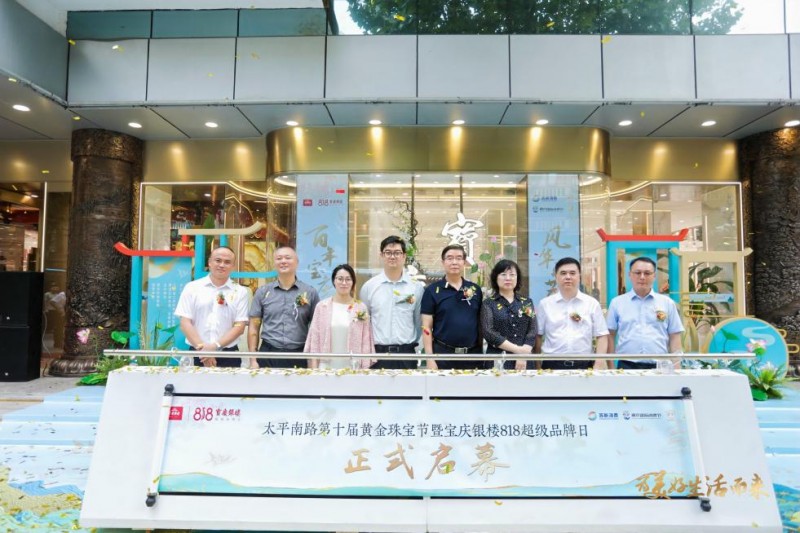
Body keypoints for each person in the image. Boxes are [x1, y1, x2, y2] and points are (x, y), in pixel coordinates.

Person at [174, 246, 250, 367]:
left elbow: (239, 326)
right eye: (218, 260)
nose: (222, 265)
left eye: (227, 262)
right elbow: (185, 322)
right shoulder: (192, 288)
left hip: (228, 354)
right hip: (197, 353)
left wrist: (214, 346)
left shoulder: (240, 292)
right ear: (209, 262)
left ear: (233, 266)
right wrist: (203, 350)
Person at [606, 256, 685, 370]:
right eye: (638, 273)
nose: (642, 277)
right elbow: (610, 335)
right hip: (626, 365)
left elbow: (675, 336)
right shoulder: (617, 303)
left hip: (660, 366)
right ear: (630, 275)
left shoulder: (667, 303)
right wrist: (611, 365)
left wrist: (677, 367)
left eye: (647, 273)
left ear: (654, 276)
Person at [248, 246, 319, 369]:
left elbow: (316, 329)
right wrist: (253, 360)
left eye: (288, 258)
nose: (283, 261)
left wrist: (313, 361)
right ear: (274, 263)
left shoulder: (310, 292)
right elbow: (254, 327)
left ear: (297, 263)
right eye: (279, 258)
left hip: (299, 353)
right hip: (268, 353)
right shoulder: (263, 292)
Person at [359, 235, 424, 370]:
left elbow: (418, 322)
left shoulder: (416, 288)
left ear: (404, 256)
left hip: (406, 354)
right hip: (377, 354)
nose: (392, 256)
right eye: (388, 252)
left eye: (397, 253)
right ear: (381, 255)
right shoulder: (369, 287)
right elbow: (365, 322)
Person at [535, 257, 609, 370]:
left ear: (579, 276)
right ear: (556, 277)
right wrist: (537, 363)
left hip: (584, 364)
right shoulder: (545, 304)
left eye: (572, 273)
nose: (568, 277)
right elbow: (538, 335)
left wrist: (598, 364)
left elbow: (602, 335)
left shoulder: (591, 303)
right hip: (551, 364)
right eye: (563, 273)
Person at [422, 244, 487, 371]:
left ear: (464, 262)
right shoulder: (432, 291)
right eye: (450, 258)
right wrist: (430, 358)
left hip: (472, 355)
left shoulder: (475, 290)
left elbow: (480, 323)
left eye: (458, 258)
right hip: (442, 355)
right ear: (443, 262)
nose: (454, 262)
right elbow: (426, 327)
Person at [305, 264, 375, 369]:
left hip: (353, 367)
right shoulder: (322, 307)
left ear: (353, 282)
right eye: (340, 279)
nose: (344, 283)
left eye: (348, 279)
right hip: (325, 367)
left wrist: (364, 369)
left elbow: (366, 342)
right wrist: (314, 370)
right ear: (334, 281)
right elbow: (314, 340)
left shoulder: (361, 308)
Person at [480, 259, 536, 370]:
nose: (508, 278)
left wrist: (523, 354)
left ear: (517, 278)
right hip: (498, 359)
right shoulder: (488, 303)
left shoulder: (526, 302)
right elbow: (489, 333)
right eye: (503, 274)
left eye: (512, 275)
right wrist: (519, 351)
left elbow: (532, 330)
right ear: (496, 278)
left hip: (524, 361)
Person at [44, 283, 66, 348]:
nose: (55, 288)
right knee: (58, 328)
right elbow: (51, 302)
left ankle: (59, 343)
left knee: (60, 328)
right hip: (54, 312)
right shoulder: (62, 294)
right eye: (54, 287)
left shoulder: (59, 294)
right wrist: (59, 309)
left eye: (56, 287)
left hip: (61, 312)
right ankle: (57, 343)